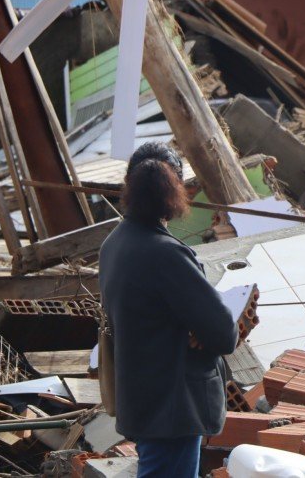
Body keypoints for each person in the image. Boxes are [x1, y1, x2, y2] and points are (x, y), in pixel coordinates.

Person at [99, 142, 238, 477]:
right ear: (176, 191)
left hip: (142, 400)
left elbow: (145, 317)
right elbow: (224, 334)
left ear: (128, 185)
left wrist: (191, 327)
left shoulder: (113, 245)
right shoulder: (168, 255)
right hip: (173, 407)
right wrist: (197, 331)